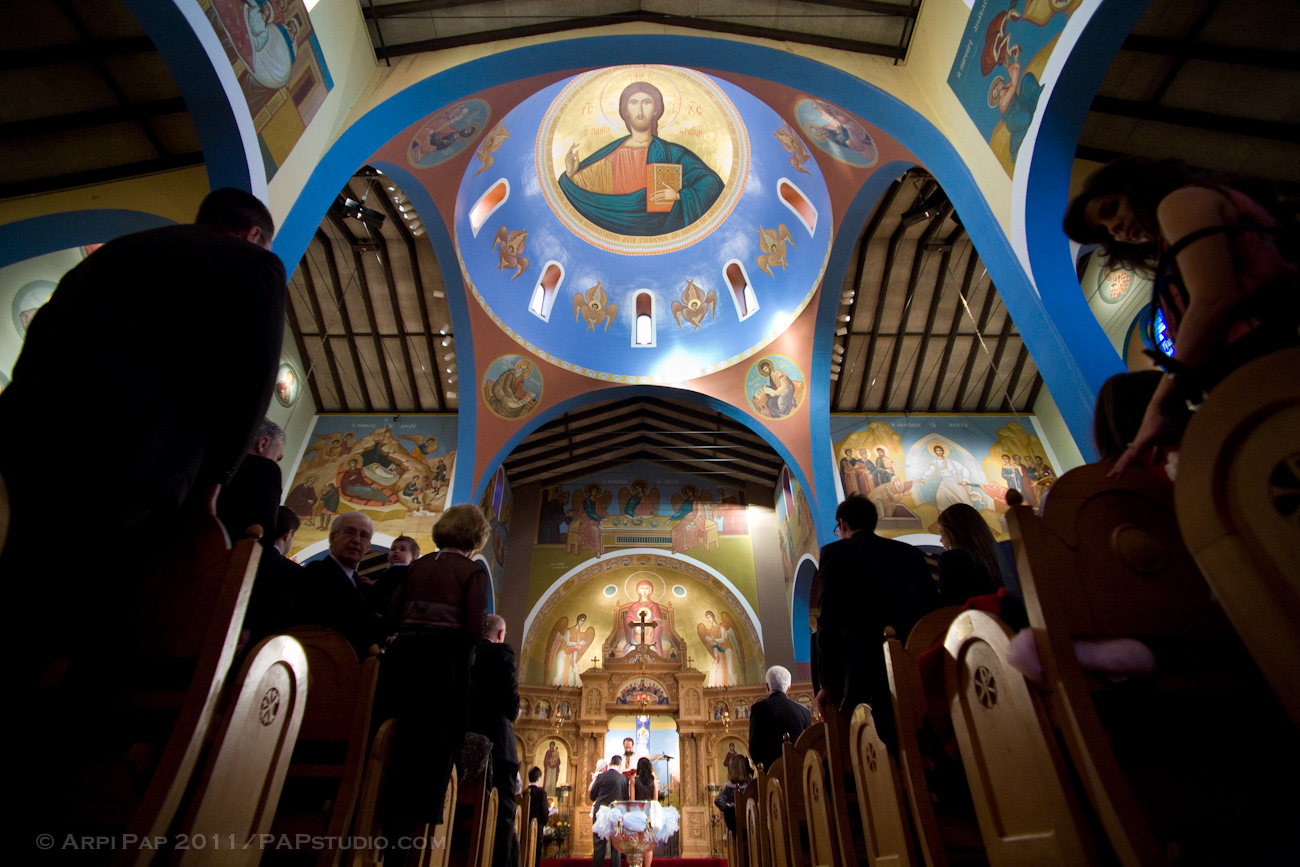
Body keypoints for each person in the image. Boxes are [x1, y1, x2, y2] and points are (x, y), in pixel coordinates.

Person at [0, 187, 286, 672]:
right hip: (134, 455)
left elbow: (43, 332)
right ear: (253, 233)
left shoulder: (119, 249)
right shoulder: (252, 263)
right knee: (74, 610)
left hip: (30, 436)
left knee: (16, 576)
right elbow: (256, 373)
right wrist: (216, 478)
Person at [1063, 156, 1299, 475]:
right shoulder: (1175, 228)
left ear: (1134, 186)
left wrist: (1158, 405)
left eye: (1111, 209)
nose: (1115, 230)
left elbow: (1214, 298)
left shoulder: (1179, 203)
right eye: (1106, 232)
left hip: (1264, 365)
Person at [379, 504, 490, 844]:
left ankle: (377, 823)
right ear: (476, 536)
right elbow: (474, 629)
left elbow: (390, 617)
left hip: (401, 661)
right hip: (443, 667)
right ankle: (412, 841)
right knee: (432, 751)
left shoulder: (418, 566)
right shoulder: (470, 571)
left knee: (393, 744)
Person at [816, 495, 936, 746]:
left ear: (843, 523)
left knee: (880, 754)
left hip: (864, 673)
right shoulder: (910, 554)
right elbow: (930, 611)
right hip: (916, 670)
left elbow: (829, 621)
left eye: (838, 529)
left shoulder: (835, 554)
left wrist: (829, 683)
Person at [559, 81, 724, 236]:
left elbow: (711, 182)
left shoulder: (672, 153)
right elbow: (579, 194)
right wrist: (571, 174)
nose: (640, 110)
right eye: (633, 103)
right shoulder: (610, 154)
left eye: (646, 102)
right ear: (625, 111)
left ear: (656, 111)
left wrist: (680, 196)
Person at [470, 614, 521, 867]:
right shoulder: (500, 654)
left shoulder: (463, 650)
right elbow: (511, 701)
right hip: (497, 741)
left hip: (460, 737)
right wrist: (515, 712)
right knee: (502, 809)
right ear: (501, 635)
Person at [297, 512, 383, 657]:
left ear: (368, 546)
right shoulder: (318, 572)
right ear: (332, 537)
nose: (356, 540)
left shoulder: (359, 584)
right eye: (350, 532)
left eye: (364, 536)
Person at [217, 417, 286, 546]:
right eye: (277, 457)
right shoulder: (265, 470)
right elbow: (264, 532)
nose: (275, 463)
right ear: (263, 444)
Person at [935, 504, 1004, 607]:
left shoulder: (951, 559)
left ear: (954, 532)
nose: (940, 539)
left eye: (942, 532)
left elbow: (951, 604)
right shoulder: (1000, 556)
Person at [748, 665, 812, 771]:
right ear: (788, 688)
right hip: (798, 772)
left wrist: (765, 770)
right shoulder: (804, 712)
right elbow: (807, 746)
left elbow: (754, 747)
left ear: (767, 686)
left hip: (770, 776)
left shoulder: (758, 709)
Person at [589, 755, 630, 867]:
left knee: (599, 846)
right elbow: (626, 800)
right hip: (616, 814)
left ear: (610, 764)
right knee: (616, 848)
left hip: (600, 814)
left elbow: (592, 796)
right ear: (620, 765)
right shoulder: (623, 779)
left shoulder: (600, 777)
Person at [713, 753, 754, 835]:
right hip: (754, 823)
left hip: (739, 826)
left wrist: (729, 809)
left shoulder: (730, 788)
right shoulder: (753, 785)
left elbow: (718, 800)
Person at [633, 757, 661, 867]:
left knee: (639, 842)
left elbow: (632, 800)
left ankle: (638, 865)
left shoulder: (634, 780)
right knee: (648, 843)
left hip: (638, 813)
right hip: (650, 813)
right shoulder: (653, 780)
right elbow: (655, 800)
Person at [526, 767, 549, 867]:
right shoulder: (541, 793)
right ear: (539, 778)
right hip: (537, 830)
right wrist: (544, 821)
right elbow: (544, 813)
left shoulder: (524, 792)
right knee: (535, 857)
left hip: (524, 830)